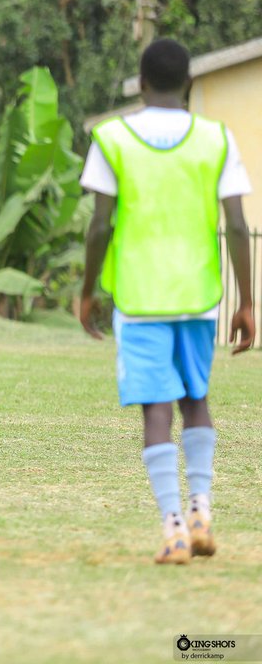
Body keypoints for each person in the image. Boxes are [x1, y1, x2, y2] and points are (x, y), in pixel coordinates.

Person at [79, 39, 254, 564]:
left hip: (141, 297)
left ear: (139, 81)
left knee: (156, 410)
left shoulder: (112, 138)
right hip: (199, 296)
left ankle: (174, 528)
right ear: (190, 82)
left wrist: (87, 289)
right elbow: (240, 227)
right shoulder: (216, 139)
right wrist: (247, 302)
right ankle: (202, 510)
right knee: (196, 402)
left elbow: (100, 225)